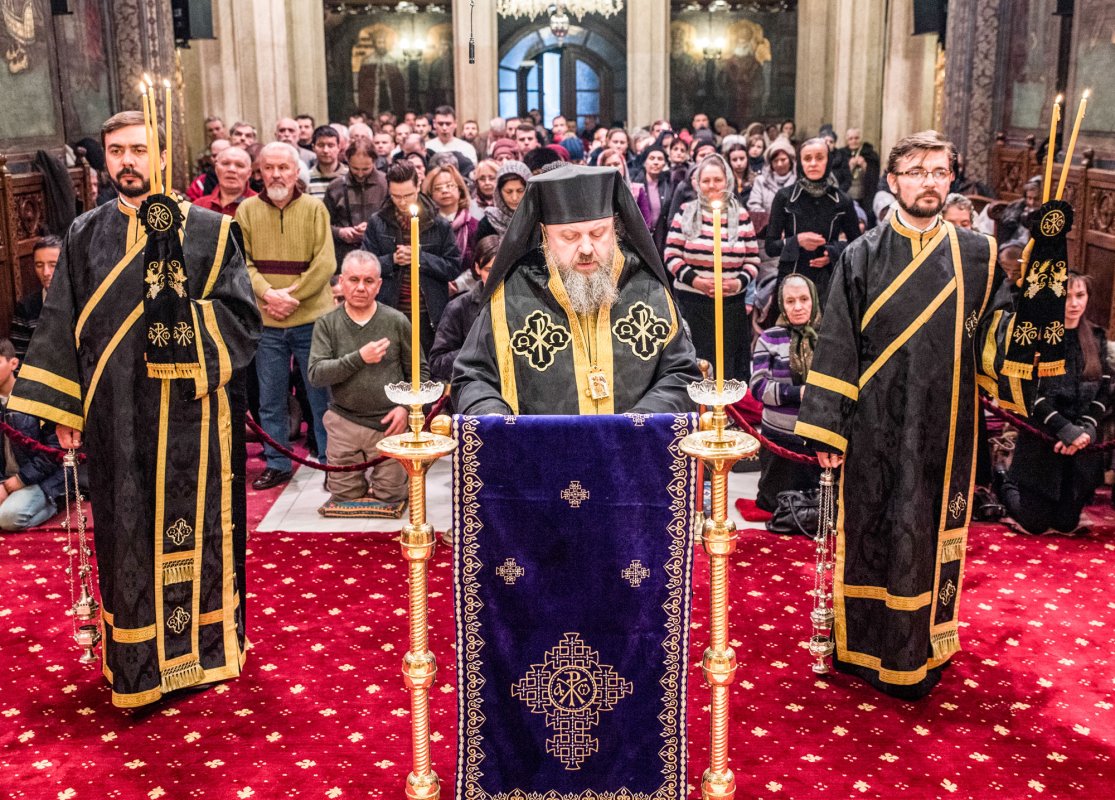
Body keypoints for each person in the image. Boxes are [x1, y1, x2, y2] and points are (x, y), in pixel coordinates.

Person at [10, 110, 261, 707]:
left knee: (193, 531)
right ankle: (137, 662)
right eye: (116, 150)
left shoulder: (209, 232)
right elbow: (59, 327)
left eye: (138, 149)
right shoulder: (82, 235)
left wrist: (182, 327)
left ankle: (205, 652)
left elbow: (241, 320)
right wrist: (64, 411)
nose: (127, 161)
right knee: (124, 532)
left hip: (190, 416)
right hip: (113, 416)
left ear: (163, 153)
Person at [794, 130, 1035, 700]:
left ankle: (920, 646)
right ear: (894, 180)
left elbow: (999, 338)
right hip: (874, 422)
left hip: (944, 423)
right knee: (875, 524)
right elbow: (837, 344)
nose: (929, 182)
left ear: (950, 179)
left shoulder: (976, 254)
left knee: (925, 531)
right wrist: (829, 427)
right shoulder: (863, 253)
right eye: (917, 171)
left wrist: (1041, 280)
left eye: (939, 171)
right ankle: (864, 646)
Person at [453, 165, 700, 415]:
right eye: (570, 236)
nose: (586, 248)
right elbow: (472, 379)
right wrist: (497, 421)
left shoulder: (647, 288)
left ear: (614, 229)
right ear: (544, 235)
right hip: (540, 451)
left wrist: (638, 424)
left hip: (636, 447)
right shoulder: (511, 296)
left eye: (598, 233)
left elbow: (681, 373)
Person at [237, 141, 336, 489]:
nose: (277, 174)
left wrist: (290, 297)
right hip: (267, 322)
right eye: (269, 168)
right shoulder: (246, 211)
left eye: (284, 167)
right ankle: (277, 462)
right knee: (270, 397)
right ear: (259, 172)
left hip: (312, 319)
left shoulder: (314, 209)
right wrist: (268, 294)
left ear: (297, 171)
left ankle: (329, 463)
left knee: (320, 396)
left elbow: (325, 262)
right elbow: (241, 262)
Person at [308, 251, 422, 518]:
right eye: (354, 279)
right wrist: (359, 358)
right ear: (342, 282)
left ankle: (388, 481)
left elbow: (419, 371)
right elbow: (316, 374)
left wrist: (405, 408)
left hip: (389, 423)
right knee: (344, 495)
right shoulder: (327, 323)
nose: (361, 287)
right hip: (343, 420)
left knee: (392, 495)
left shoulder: (396, 321)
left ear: (379, 285)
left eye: (369, 281)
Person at [997, 273, 1110, 535]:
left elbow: (1105, 391)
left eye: (1080, 295)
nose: (1074, 303)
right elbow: (1028, 392)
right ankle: (1003, 477)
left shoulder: (1096, 336)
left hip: (1081, 444)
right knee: (1034, 523)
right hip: (1044, 439)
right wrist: (1064, 429)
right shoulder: (1036, 337)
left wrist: (1086, 431)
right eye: (1066, 296)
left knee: (1066, 523)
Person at [665, 154, 760, 382]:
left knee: (728, 366)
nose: (712, 186)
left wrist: (737, 283)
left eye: (717, 180)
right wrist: (697, 281)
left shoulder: (741, 214)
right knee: (699, 363)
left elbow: (753, 259)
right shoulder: (685, 211)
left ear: (727, 180)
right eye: (706, 180)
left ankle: (730, 412)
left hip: (731, 305)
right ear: (697, 182)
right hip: (694, 304)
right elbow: (671, 254)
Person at [362, 161, 461, 357]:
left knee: (426, 371)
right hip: (390, 308)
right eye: (396, 196)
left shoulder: (438, 224)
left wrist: (420, 258)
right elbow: (365, 265)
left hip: (428, 312)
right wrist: (392, 260)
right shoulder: (378, 223)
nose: (403, 201)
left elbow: (453, 266)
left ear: (418, 187)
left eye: (408, 195)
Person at [749, 275, 823, 511]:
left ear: (814, 300)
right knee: (774, 505)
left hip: (817, 439)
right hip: (780, 441)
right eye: (790, 301)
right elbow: (758, 387)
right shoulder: (769, 338)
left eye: (804, 299)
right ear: (781, 304)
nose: (798, 307)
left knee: (819, 507)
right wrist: (797, 393)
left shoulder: (829, 337)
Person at [765, 137, 861, 306]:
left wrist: (832, 253)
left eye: (819, 157)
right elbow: (770, 247)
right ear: (800, 163)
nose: (813, 163)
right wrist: (797, 241)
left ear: (828, 160)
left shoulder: (841, 200)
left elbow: (857, 245)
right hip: (791, 278)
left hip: (829, 280)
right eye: (807, 158)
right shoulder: (785, 197)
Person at [0, 338, 63, 530]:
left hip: (41, 479)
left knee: (8, 518)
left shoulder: (36, 397)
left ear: (13, 363)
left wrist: (18, 481)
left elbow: (54, 452)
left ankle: (57, 503)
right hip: (4, 479)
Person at [429, 234, 499, 382]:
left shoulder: (520, 303)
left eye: (501, 270)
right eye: (489, 270)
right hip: (473, 387)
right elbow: (437, 363)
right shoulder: (459, 307)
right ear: (477, 268)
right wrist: (475, 350)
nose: (495, 277)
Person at [324, 139, 387, 268]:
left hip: (379, 255)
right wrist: (340, 232)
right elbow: (322, 224)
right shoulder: (335, 187)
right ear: (347, 161)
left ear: (374, 162)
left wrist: (372, 228)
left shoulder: (386, 184)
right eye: (355, 168)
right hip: (344, 255)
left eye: (366, 169)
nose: (360, 174)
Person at [425, 162, 478, 294]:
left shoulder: (474, 225)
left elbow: (481, 263)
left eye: (449, 185)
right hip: (431, 292)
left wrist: (457, 284)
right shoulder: (425, 226)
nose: (445, 191)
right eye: (438, 188)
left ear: (460, 190)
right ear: (430, 194)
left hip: (467, 293)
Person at [11, 236, 60, 361]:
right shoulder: (26, 308)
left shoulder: (83, 301)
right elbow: (19, 360)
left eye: (53, 265)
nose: (45, 272)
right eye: (39, 265)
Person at [833, 128, 881, 226]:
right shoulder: (841, 154)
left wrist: (865, 166)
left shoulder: (870, 154)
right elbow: (837, 177)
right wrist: (849, 167)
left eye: (856, 138)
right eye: (851, 139)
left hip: (865, 196)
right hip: (847, 195)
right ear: (847, 140)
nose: (854, 141)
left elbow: (874, 177)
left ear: (861, 139)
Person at [193, 146, 256, 217]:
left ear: (249, 173)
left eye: (239, 165)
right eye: (225, 163)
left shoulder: (260, 206)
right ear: (216, 169)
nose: (231, 169)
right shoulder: (199, 206)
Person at [475, 160, 531, 240]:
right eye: (508, 192)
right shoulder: (489, 223)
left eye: (520, 191)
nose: (514, 197)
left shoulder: (540, 219)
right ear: (499, 192)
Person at [747, 138, 797, 215]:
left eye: (783, 160)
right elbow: (754, 205)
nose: (779, 164)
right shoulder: (761, 181)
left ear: (790, 161)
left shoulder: (798, 181)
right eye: (775, 161)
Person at [308, 126, 348, 199]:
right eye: (321, 145)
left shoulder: (349, 175)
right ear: (313, 147)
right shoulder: (307, 178)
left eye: (331, 146)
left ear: (338, 147)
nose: (325, 150)